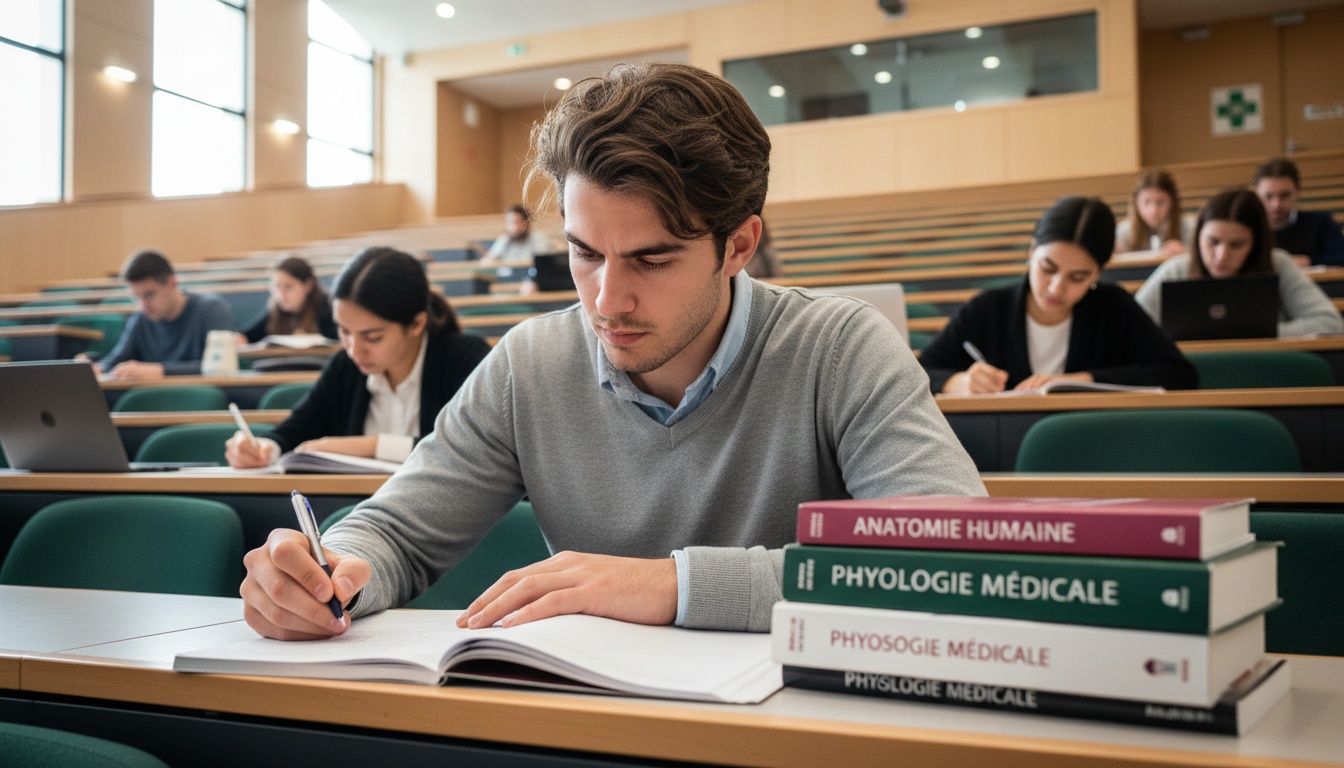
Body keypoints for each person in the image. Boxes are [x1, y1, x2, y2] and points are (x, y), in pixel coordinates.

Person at [239, 62, 984, 641]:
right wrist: (332, 573)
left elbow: (952, 564)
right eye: (585, 253)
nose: (606, 301)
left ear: (739, 246)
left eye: (652, 260)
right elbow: (397, 530)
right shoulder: (529, 364)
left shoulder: (843, 348)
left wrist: (670, 585)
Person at [225, 247, 491, 468]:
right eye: (344, 332)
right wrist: (264, 448)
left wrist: (371, 446)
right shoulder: (345, 366)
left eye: (373, 337)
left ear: (416, 324)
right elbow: (297, 428)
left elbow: (471, 446)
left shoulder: (464, 359)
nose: (354, 350)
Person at [921, 196, 1197, 394]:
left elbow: (1179, 374)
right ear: (1032, 251)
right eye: (1047, 268)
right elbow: (919, 372)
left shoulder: (1114, 308)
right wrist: (959, 382)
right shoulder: (988, 309)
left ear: (1097, 273)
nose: (1056, 288)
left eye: (1078, 277)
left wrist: (1084, 381)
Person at [1135, 189, 1344, 338]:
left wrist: (1257, 333)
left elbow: (1330, 323)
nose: (1221, 256)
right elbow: (1129, 326)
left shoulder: (1279, 264)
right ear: (1198, 238)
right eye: (1213, 242)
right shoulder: (1177, 269)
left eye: (1237, 245)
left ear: (1256, 244)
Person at [81, 249, 234, 380]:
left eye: (149, 295)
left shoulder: (211, 309)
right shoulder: (141, 318)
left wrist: (160, 371)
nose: (143, 305)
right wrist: (97, 369)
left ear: (172, 283)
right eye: (136, 297)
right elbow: (116, 359)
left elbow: (220, 366)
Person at [1253, 158, 1344, 268]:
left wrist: (1310, 261)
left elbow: (1341, 255)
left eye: (1285, 195)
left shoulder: (1320, 221)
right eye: (1269, 196)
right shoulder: (1248, 227)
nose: (1276, 204)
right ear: (1256, 193)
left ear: (1298, 191)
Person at [235, 255, 337, 345]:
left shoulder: (327, 307)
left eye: (288, 287)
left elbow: (337, 340)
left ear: (308, 285)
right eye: (277, 286)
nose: (281, 294)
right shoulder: (275, 310)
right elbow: (247, 336)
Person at [1114, 170, 1194, 256]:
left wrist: (1186, 252)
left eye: (1160, 202)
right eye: (1147, 202)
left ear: (1173, 202)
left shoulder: (1189, 228)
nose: (1153, 210)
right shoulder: (1122, 233)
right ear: (1136, 204)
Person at [481, 203, 550, 265]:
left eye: (516, 222)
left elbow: (542, 262)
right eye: (508, 222)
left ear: (526, 222)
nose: (512, 227)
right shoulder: (504, 240)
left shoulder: (538, 238)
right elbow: (488, 261)